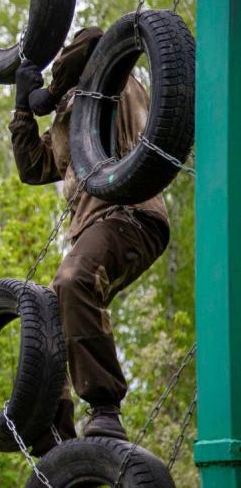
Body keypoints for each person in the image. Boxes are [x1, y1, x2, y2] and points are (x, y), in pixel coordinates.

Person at [9, 27, 170, 454]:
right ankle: (57, 439)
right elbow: (33, 166)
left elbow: (96, 38)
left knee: (74, 281)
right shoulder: (69, 116)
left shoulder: (110, 82)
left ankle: (104, 406)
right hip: (90, 229)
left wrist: (52, 87)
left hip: (130, 214)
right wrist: (23, 107)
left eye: (65, 56)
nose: (62, 59)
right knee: (52, 313)